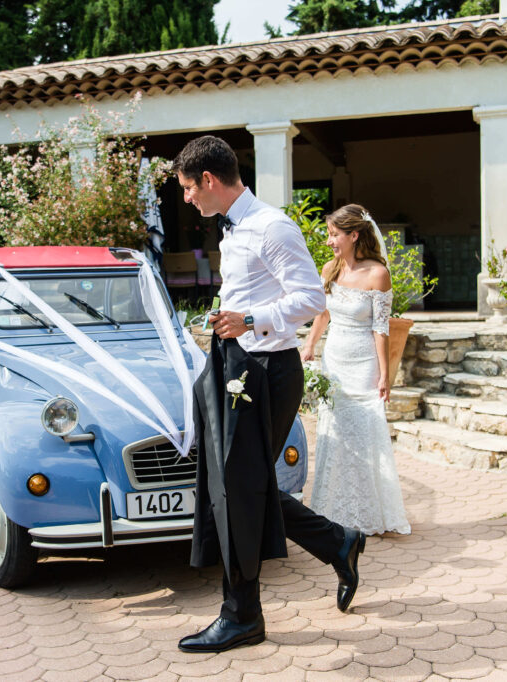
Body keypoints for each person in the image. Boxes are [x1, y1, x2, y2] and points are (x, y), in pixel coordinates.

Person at [173, 135, 366, 654]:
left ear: (209, 181)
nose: (188, 199)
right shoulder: (233, 229)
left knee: (240, 491)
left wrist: (251, 320)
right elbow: (250, 294)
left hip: (266, 374)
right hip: (235, 364)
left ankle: (242, 617)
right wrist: (226, 315)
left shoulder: (271, 226)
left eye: (189, 189)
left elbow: (310, 299)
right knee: (238, 484)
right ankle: (337, 542)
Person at [300, 205, 411, 536]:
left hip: (363, 364)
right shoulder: (330, 269)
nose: (330, 240)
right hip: (334, 360)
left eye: (335, 234)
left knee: (364, 436)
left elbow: (381, 328)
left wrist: (383, 374)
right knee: (334, 435)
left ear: (354, 235)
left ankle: (368, 512)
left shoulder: (378, 273)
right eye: (330, 234)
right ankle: (332, 510)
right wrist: (309, 346)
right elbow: (322, 314)